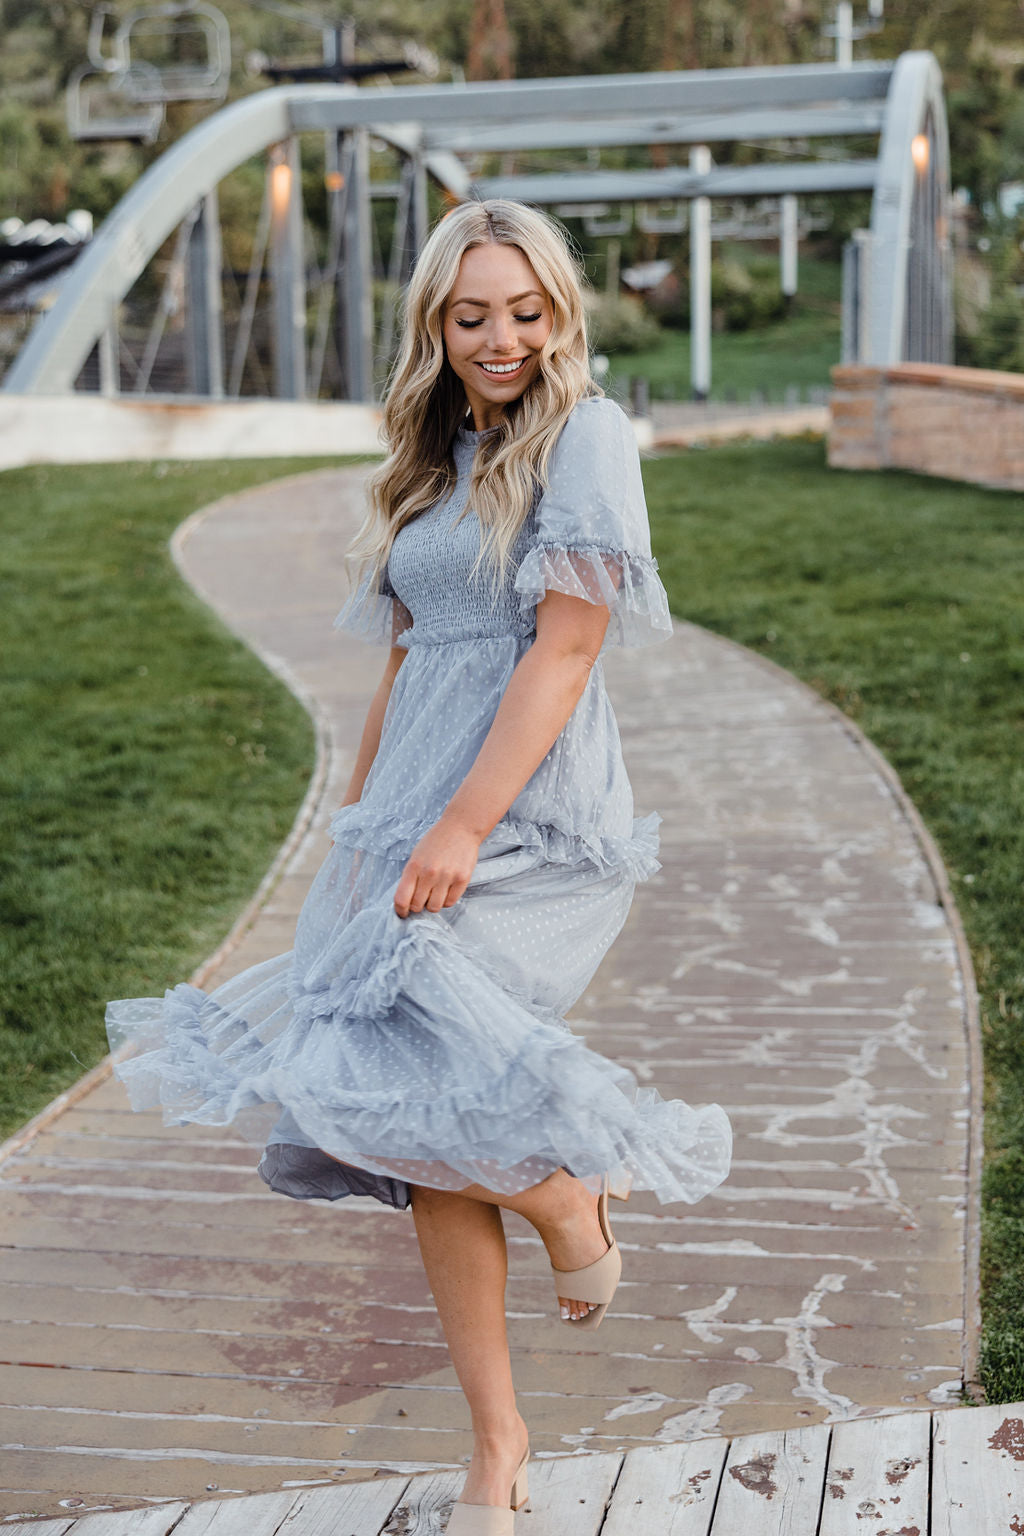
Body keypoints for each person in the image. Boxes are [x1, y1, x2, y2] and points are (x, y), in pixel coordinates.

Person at [105, 197, 731, 1535]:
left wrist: (460, 826)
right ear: (435, 326)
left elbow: (568, 647)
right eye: (471, 316)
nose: (501, 339)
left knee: (415, 1092)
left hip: (532, 825)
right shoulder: (435, 455)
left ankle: (565, 1192)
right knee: (412, 1118)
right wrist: (359, 829)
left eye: (525, 311)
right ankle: (499, 1444)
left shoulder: (586, 436)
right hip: (408, 822)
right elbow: (402, 665)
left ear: (559, 313)